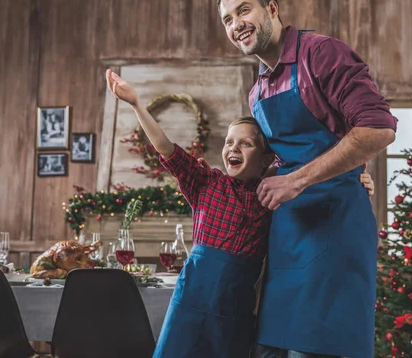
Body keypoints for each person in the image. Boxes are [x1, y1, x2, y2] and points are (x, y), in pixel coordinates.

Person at [105, 69, 376, 358]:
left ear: (266, 158)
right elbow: (165, 148)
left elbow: (314, 173)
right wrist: (135, 104)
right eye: (229, 142)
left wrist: (356, 182)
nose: (233, 148)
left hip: (238, 306)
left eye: (245, 143)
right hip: (192, 300)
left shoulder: (274, 193)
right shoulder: (205, 182)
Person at [217, 0, 398, 358]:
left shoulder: (321, 54)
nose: (236, 25)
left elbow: (378, 128)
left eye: (243, 10)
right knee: (272, 349)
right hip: (288, 238)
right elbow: (279, 160)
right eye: (227, 19)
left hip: (335, 228)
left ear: (271, 9)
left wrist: (297, 181)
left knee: (318, 349)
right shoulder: (257, 92)